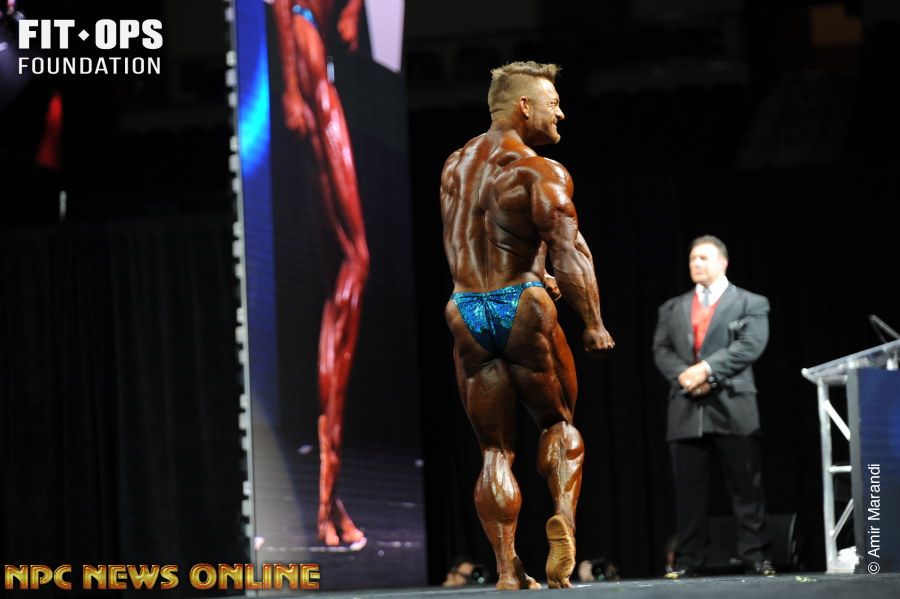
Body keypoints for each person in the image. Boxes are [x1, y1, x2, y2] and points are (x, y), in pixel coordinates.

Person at [439, 61, 615, 590]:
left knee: (494, 449)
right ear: (523, 106)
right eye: (553, 103)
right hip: (521, 304)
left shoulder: (455, 165)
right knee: (558, 422)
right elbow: (570, 249)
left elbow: (486, 234)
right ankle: (563, 520)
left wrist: (534, 267)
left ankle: (506, 568)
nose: (560, 113)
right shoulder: (541, 171)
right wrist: (593, 323)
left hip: (465, 308)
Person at [270, 0, 368, 548]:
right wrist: (289, 88)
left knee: (340, 279)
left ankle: (331, 497)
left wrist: (351, 10)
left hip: (314, 54)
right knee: (357, 259)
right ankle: (328, 491)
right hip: (306, 55)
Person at [652, 235, 776, 578]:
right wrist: (686, 376)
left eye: (704, 258)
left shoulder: (751, 303)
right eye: (693, 258)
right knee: (688, 493)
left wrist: (707, 370)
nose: (696, 263)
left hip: (733, 404)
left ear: (723, 262)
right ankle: (689, 559)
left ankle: (757, 555)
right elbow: (662, 350)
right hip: (686, 406)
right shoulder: (672, 308)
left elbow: (750, 345)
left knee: (746, 486)